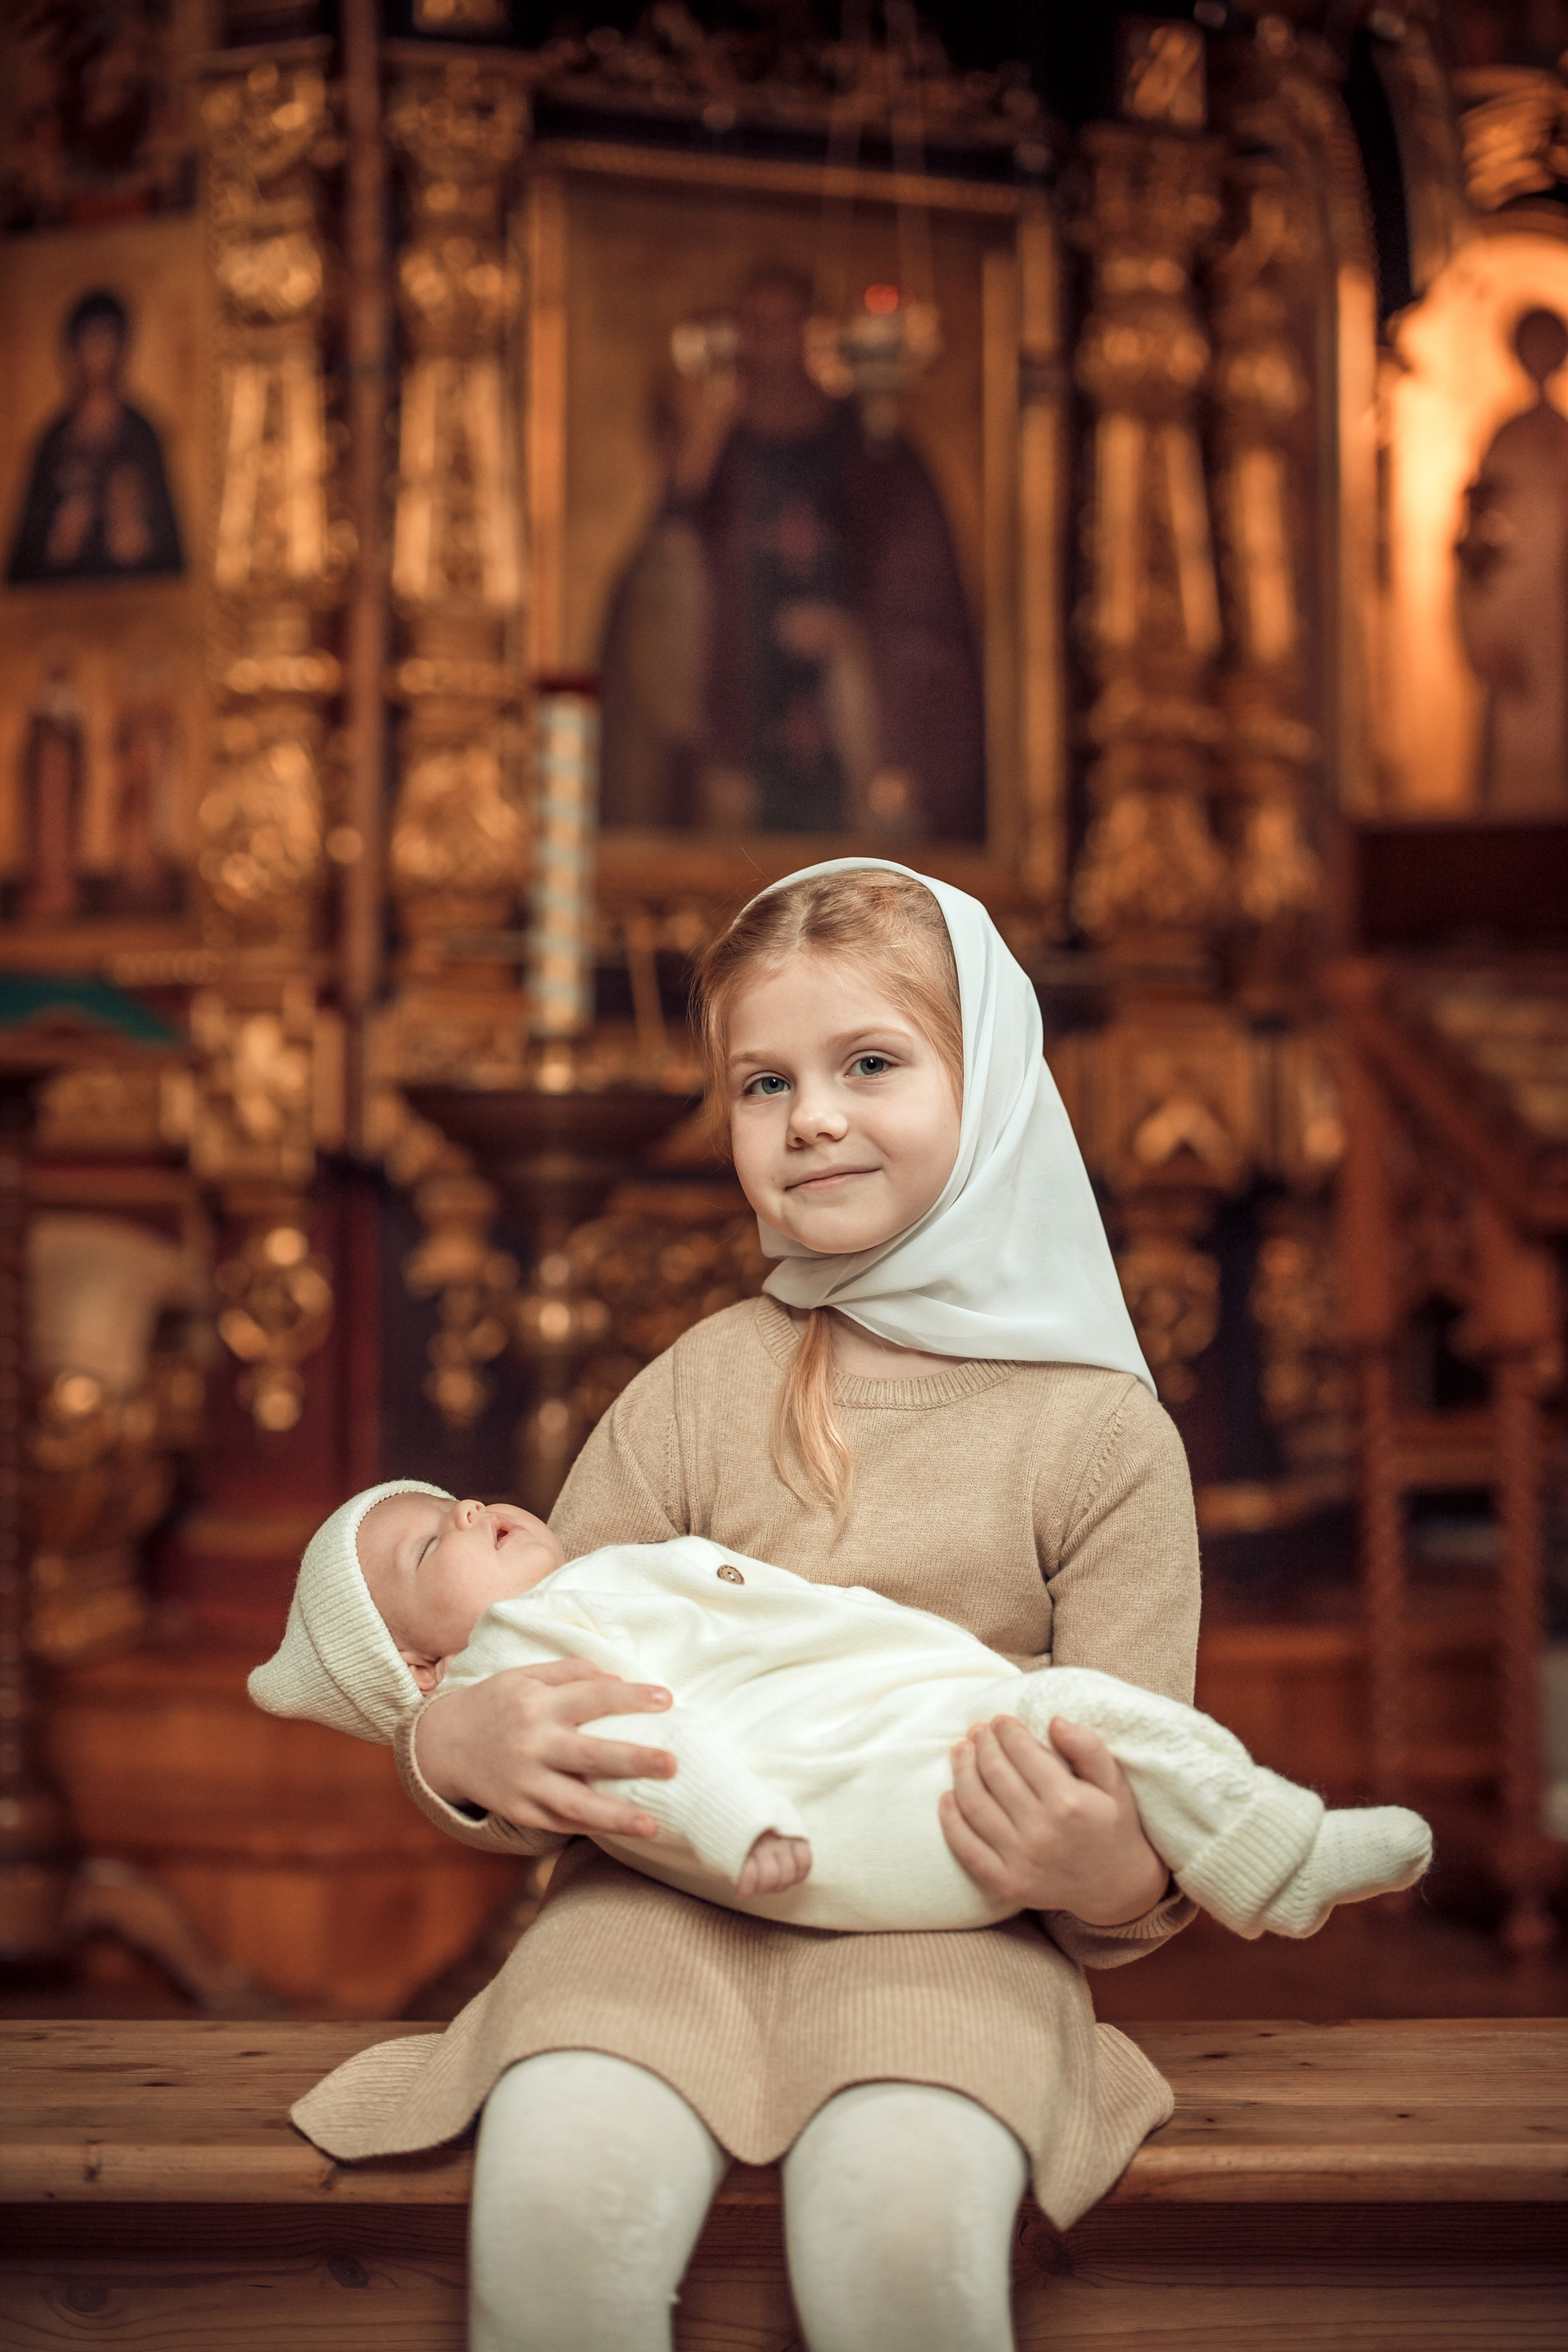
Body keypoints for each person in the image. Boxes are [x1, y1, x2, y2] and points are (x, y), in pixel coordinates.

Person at [287, 862, 1222, 2352]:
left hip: (950, 1928)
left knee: (900, 2231)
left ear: (993, 1085)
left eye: (869, 1063)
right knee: (553, 2204)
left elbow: (1151, 1779)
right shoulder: (704, 1384)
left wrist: (1109, 1864)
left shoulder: (1100, 1436)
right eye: (760, 1080)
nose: (811, 1117)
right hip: (654, 1908)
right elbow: (538, 1651)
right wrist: (461, 1753)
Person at [254, 1486, 1430, 1939]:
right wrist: (741, 1825)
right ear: (420, 1664)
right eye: (425, 1544)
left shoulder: (571, 1591)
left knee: (1087, 1711)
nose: (465, 1511)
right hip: (835, 1810)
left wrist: (1120, 1876)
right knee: (1081, 1709)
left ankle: (1278, 1848)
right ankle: (1284, 1850)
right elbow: (645, 1743)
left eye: (447, 1499)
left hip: (949, 1777)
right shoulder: (530, 1641)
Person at [600, 270, 985, 839]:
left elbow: (924, 607)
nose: (766, 347)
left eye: (782, 326)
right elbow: (658, 603)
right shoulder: (712, 457)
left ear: (816, 335)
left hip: (850, 743)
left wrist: (852, 640)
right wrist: (689, 476)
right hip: (737, 738)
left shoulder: (876, 453)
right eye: (752, 328)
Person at [7, 288, 183, 585]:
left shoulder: (142, 433)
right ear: (74, 350)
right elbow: (23, 562)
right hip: (62, 606)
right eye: (91, 341)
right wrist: (59, 543)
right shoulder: (54, 440)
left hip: (136, 604)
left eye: (108, 341)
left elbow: (172, 553)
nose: (99, 353)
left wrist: (138, 539)